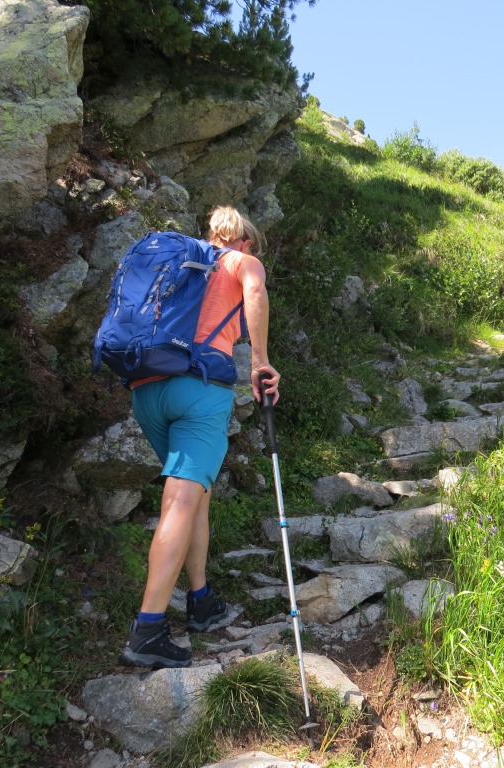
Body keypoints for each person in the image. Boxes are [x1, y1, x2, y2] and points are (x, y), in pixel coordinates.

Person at [119, 206, 280, 669]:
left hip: (147, 389)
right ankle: (148, 630)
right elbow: (255, 290)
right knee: (180, 503)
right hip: (200, 389)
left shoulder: (180, 262)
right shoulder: (241, 261)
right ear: (245, 241)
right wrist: (259, 361)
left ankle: (201, 600)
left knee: (195, 497)